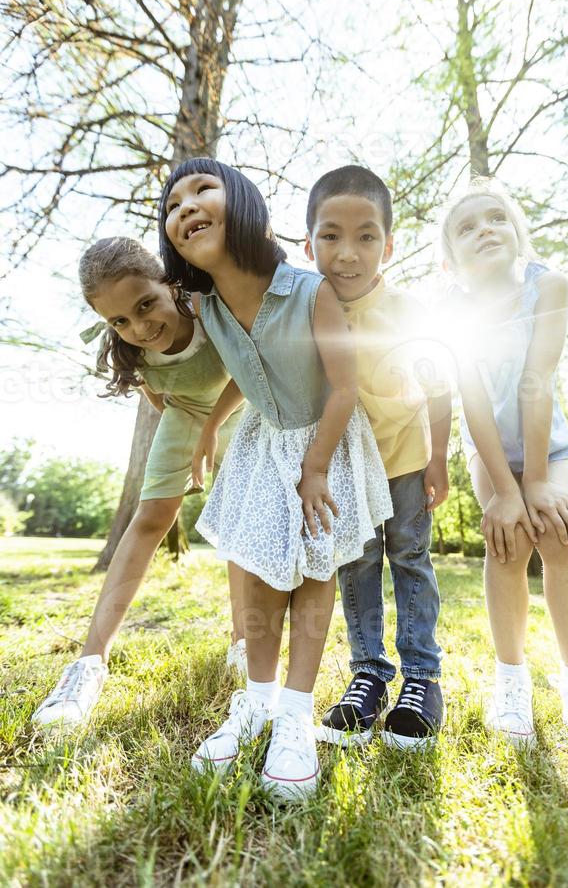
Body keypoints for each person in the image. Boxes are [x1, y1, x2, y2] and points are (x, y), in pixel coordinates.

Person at [158, 157, 392, 802]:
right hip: (264, 447)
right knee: (259, 573)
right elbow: (247, 368)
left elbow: (343, 385)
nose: (187, 206)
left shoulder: (308, 288)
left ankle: (294, 716)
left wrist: (315, 468)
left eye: (203, 190)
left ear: (244, 204)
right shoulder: (205, 306)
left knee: (313, 573)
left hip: (325, 441)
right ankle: (256, 703)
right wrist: (212, 422)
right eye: (173, 204)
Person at [442, 177, 568, 775]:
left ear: (518, 231)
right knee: (507, 544)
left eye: (496, 217)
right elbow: (470, 401)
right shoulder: (450, 309)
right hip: (489, 450)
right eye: (467, 226)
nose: (485, 230)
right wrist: (505, 490)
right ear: (450, 257)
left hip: (546, 445)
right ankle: (512, 685)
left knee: (557, 533)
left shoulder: (547, 285)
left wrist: (536, 487)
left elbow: (536, 382)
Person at [32, 237, 246, 730]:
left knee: (238, 519)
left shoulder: (207, 306)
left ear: (168, 283)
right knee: (150, 517)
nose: (140, 327)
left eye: (145, 304)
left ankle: (243, 641)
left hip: (240, 407)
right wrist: (188, 435)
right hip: (187, 415)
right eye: (120, 321)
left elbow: (247, 366)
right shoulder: (130, 350)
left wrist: (212, 430)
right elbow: (157, 396)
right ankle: (88, 663)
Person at [304, 165, 451, 750]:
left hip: (407, 459)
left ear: (387, 246)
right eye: (330, 236)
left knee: (410, 559)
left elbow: (441, 389)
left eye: (366, 236)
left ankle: (422, 679)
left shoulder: (410, 312)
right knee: (357, 565)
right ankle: (368, 676)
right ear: (308, 242)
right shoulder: (305, 310)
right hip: (347, 470)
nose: (347, 252)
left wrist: (439, 459)